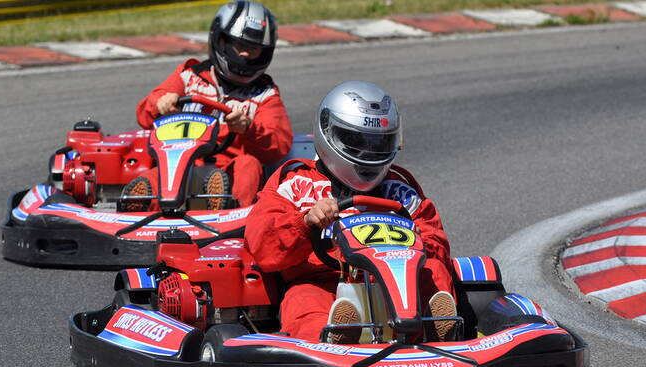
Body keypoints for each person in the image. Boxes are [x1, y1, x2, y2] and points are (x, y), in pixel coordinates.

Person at [244, 81, 457, 344]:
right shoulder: (296, 182)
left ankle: (434, 331)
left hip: (398, 281)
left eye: (379, 143)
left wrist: (413, 247)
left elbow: (434, 237)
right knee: (304, 299)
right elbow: (262, 242)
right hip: (325, 280)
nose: (369, 151)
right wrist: (305, 222)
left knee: (434, 270)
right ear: (328, 133)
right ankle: (335, 341)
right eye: (358, 141)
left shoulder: (398, 188)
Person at [123, 0, 292, 211]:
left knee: (249, 165)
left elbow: (279, 145)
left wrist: (248, 128)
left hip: (228, 171)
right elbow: (145, 115)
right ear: (221, 41)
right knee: (152, 178)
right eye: (240, 45)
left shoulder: (264, 95)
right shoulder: (189, 76)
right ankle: (141, 214)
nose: (246, 54)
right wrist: (161, 104)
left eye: (254, 48)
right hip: (179, 164)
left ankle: (233, 216)